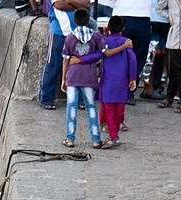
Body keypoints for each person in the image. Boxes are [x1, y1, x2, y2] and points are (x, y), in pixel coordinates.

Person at [61, 9, 106, 148]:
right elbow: (103, 52)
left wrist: (63, 79)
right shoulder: (96, 36)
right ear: (88, 21)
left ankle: (70, 139)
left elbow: (65, 60)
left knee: (71, 107)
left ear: (74, 21)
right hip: (88, 75)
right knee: (91, 107)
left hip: (73, 76)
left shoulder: (69, 38)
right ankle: (96, 139)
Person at [38, 0, 91, 109]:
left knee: (79, 67)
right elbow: (59, 5)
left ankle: (80, 99)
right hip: (58, 31)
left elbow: (86, 5)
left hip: (77, 32)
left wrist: (69, 1)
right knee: (53, 65)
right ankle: (46, 98)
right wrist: (77, 4)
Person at [96, 16, 138, 145]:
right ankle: (115, 135)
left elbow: (98, 57)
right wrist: (133, 78)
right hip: (122, 80)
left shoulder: (104, 41)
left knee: (108, 108)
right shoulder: (126, 42)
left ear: (107, 28)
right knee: (120, 109)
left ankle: (113, 135)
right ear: (123, 28)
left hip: (107, 79)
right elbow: (133, 60)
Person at [108, 0, 153, 91]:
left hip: (143, 16)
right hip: (122, 13)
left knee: (139, 57)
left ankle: (130, 90)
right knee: (117, 54)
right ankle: (116, 87)